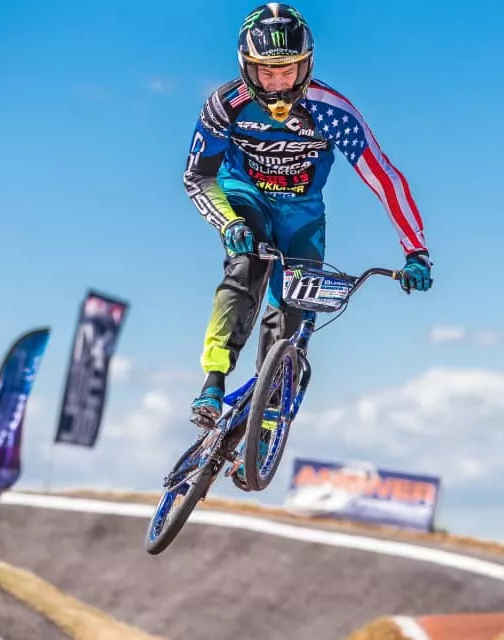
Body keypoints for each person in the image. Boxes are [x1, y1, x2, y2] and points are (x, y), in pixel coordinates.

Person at [182, 2, 432, 481]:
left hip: (302, 212)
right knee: (247, 265)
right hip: (244, 195)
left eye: (288, 71)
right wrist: (227, 222)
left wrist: (415, 250)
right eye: (266, 72)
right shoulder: (225, 105)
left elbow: (384, 177)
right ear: (246, 67)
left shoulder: (331, 111)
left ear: (307, 65)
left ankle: (265, 418)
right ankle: (213, 380)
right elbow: (197, 176)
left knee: (294, 314)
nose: (278, 83)